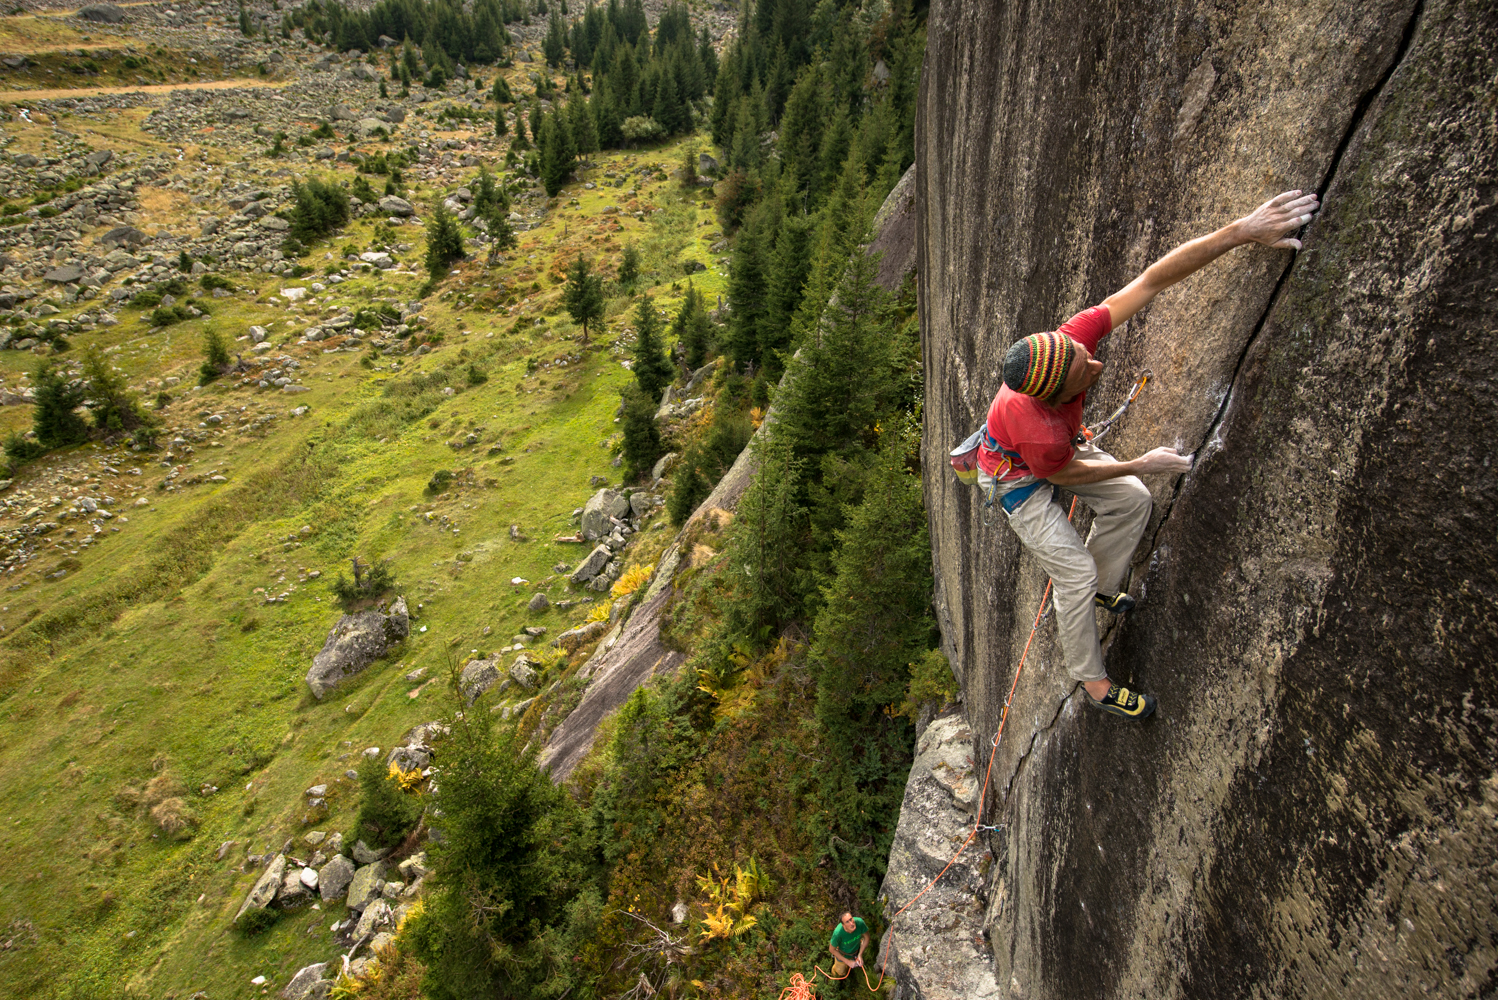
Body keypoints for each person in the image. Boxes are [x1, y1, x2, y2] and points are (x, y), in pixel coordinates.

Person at [978, 189, 1321, 720]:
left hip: (1050, 450)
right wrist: (1140, 461)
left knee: (1132, 501)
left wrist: (1241, 231)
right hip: (1016, 478)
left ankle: (1100, 589)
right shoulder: (1041, 430)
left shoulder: (1070, 343)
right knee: (1073, 574)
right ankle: (1093, 684)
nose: (1096, 365)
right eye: (1084, 373)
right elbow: (1064, 472)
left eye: (1085, 355)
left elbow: (1152, 280)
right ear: (1056, 397)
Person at [827, 911, 868, 979]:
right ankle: (835, 980)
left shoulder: (859, 923)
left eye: (851, 919)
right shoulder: (838, 933)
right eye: (847, 922)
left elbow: (867, 937)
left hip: (856, 952)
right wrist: (848, 962)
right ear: (843, 925)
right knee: (839, 972)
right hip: (843, 955)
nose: (851, 923)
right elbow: (831, 949)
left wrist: (860, 955)